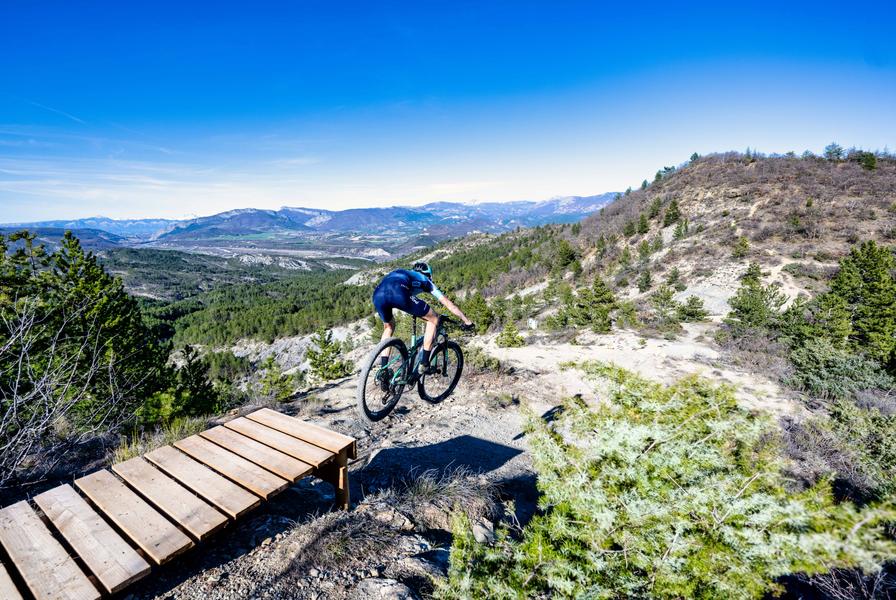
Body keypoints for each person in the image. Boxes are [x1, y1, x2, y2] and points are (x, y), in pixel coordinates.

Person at [372, 262, 474, 382]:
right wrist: (466, 321)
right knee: (434, 319)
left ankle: (383, 370)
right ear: (428, 275)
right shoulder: (427, 281)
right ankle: (424, 363)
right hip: (399, 291)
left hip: (378, 293)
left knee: (389, 327)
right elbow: (448, 304)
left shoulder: (405, 273)